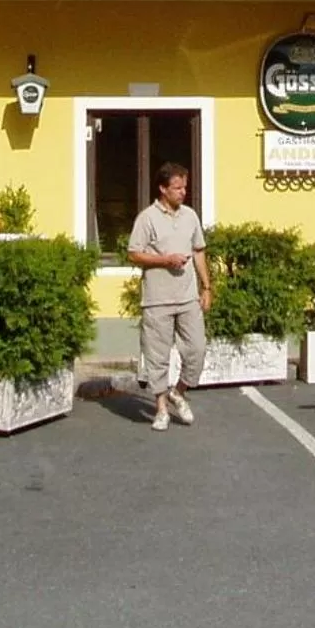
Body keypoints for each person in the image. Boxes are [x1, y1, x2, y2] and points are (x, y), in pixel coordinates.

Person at [125, 162, 209, 432]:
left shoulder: (190, 216)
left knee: (197, 349)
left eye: (185, 187)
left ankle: (179, 392)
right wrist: (165, 260)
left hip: (187, 298)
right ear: (163, 189)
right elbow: (134, 253)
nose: (183, 192)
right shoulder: (147, 218)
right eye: (177, 187)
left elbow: (198, 251)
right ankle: (160, 409)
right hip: (157, 299)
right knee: (157, 356)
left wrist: (206, 287)